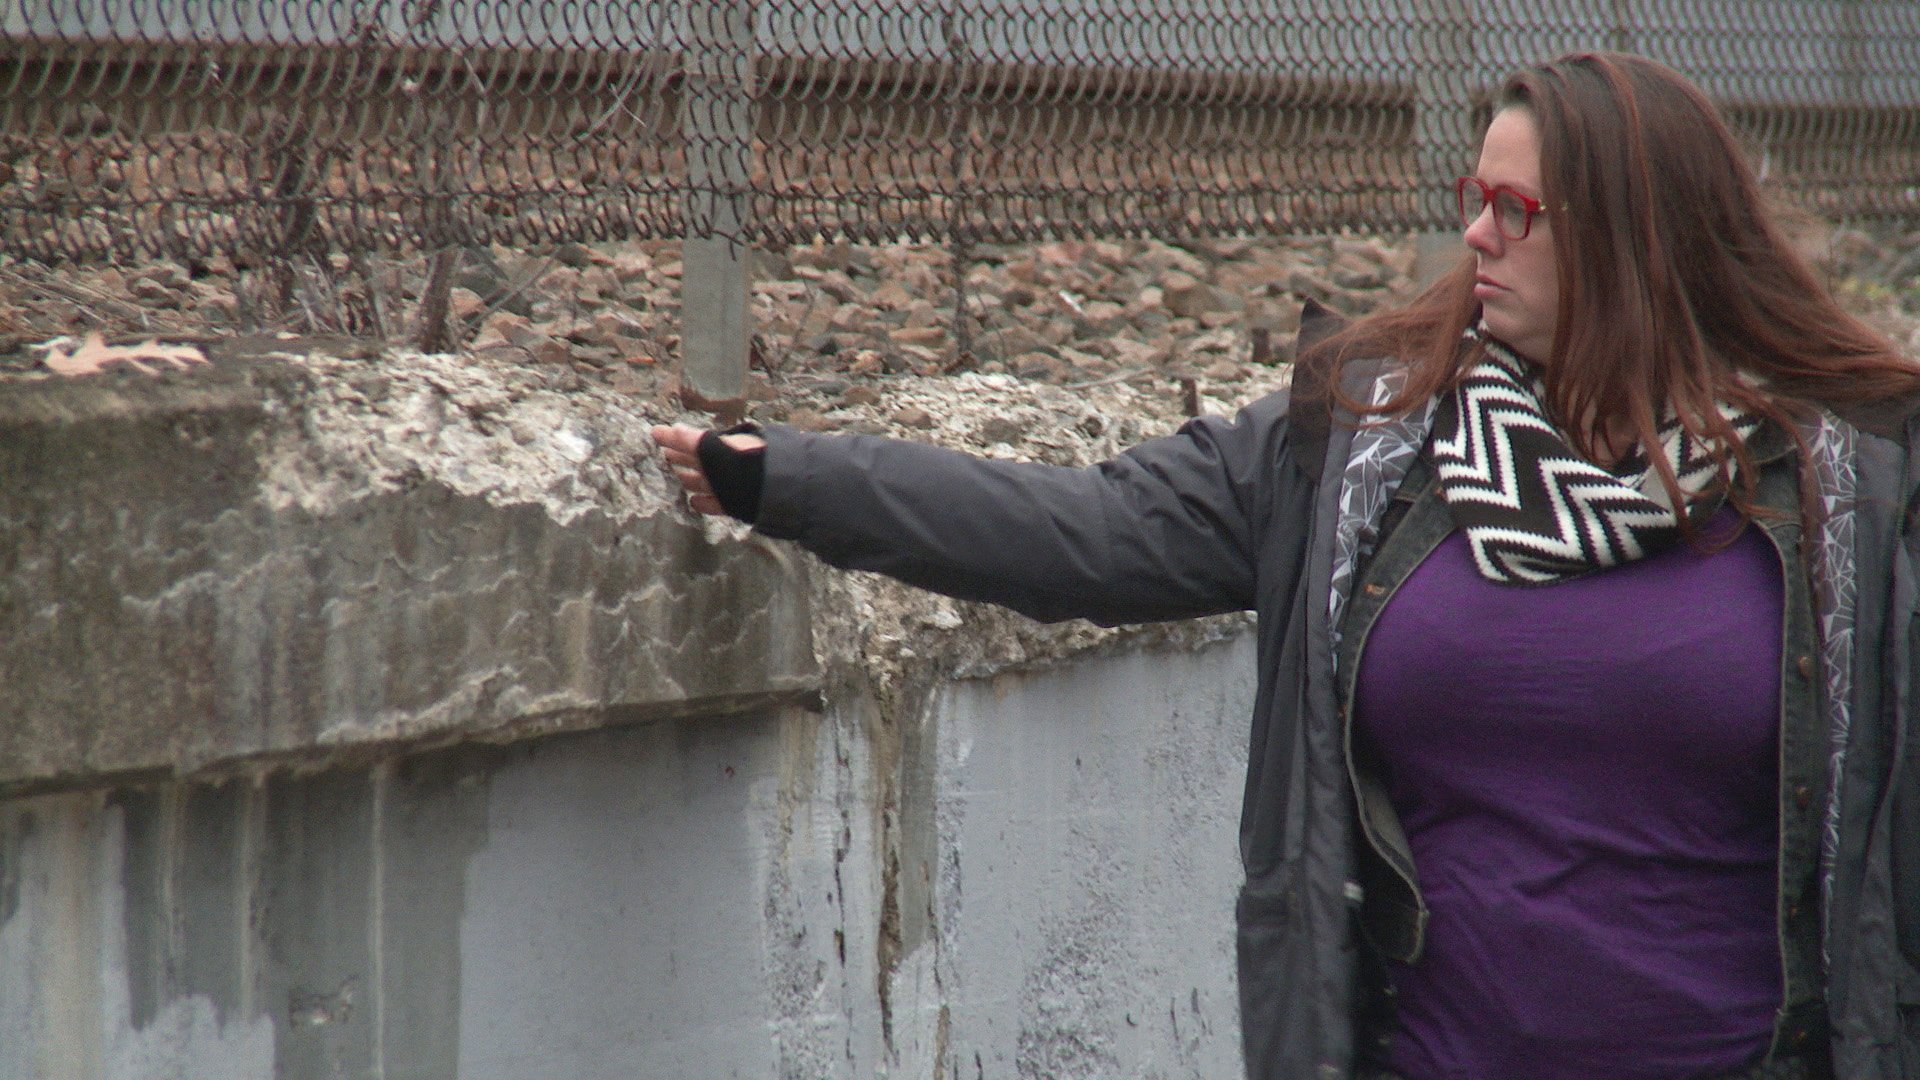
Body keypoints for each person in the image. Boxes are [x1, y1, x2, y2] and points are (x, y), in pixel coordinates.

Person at [654, 52, 1920, 1080]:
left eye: (1515, 211)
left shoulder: (1846, 493)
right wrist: (793, 478)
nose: (1474, 235)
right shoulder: (1365, 444)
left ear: (1641, 241)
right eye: (1473, 197)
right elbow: (1085, 532)